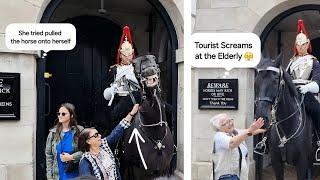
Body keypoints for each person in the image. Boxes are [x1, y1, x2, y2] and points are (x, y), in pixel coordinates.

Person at [78, 104, 139, 180]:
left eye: (98, 133)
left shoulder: (104, 145)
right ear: (88, 141)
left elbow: (118, 130)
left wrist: (132, 113)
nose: (100, 136)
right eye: (96, 135)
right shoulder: (85, 161)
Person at [286, 19, 320, 136]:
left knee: (317, 112)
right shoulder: (291, 62)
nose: (300, 47)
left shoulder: (314, 61)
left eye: (303, 44)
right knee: (273, 111)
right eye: (298, 45)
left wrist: (307, 88)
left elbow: (317, 82)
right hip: (291, 93)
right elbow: (285, 78)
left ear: (307, 44)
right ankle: (265, 142)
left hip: (307, 94)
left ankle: (318, 139)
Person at [103, 25, 141, 129]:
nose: (128, 57)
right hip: (118, 99)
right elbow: (106, 90)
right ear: (120, 55)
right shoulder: (114, 69)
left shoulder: (137, 68)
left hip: (135, 98)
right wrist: (111, 90)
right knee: (112, 116)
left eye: (129, 55)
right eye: (125, 55)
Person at [209, 113, 265, 180]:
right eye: (226, 123)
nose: (230, 123)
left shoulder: (234, 132)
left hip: (239, 176)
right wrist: (250, 130)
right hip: (225, 177)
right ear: (219, 127)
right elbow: (233, 143)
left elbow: (250, 132)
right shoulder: (219, 136)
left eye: (230, 120)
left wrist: (266, 129)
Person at [46, 102, 84, 180]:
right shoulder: (53, 133)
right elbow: (49, 156)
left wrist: (72, 157)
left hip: (75, 175)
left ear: (71, 115)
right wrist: (49, 177)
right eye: (59, 113)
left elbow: (86, 151)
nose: (60, 115)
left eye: (63, 114)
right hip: (58, 175)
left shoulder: (79, 131)